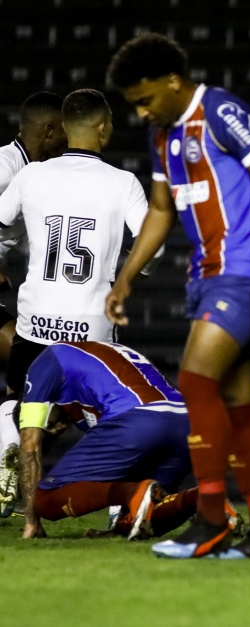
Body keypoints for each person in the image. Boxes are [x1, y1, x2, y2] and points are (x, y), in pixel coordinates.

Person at [105, 33, 250, 559]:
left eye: (145, 100)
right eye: (133, 105)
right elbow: (162, 209)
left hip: (244, 268)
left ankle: (209, 519)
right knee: (239, 403)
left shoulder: (220, 110)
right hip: (205, 274)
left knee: (194, 380)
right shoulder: (163, 135)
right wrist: (126, 276)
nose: (141, 112)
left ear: (172, 81)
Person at [0, 90, 151, 517]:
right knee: (110, 415)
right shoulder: (124, 183)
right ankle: (121, 507)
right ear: (103, 128)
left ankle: (5, 488)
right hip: (92, 330)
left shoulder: (31, 177)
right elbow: (151, 249)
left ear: (63, 128)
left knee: (17, 405)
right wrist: (128, 275)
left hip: (35, 327)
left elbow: (1, 222)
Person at [17, 341, 243, 540]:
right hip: (187, 421)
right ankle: (202, 499)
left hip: (140, 418)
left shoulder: (46, 363)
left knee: (44, 500)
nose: (56, 429)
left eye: (50, 426)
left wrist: (31, 521)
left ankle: (131, 493)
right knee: (144, 516)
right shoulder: (95, 361)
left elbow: (29, 443)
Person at [0, 91, 68, 517]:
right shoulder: (5, 168)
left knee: (36, 392)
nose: (69, 138)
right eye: (64, 130)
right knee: (36, 387)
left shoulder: (35, 174)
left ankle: (8, 474)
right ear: (48, 131)